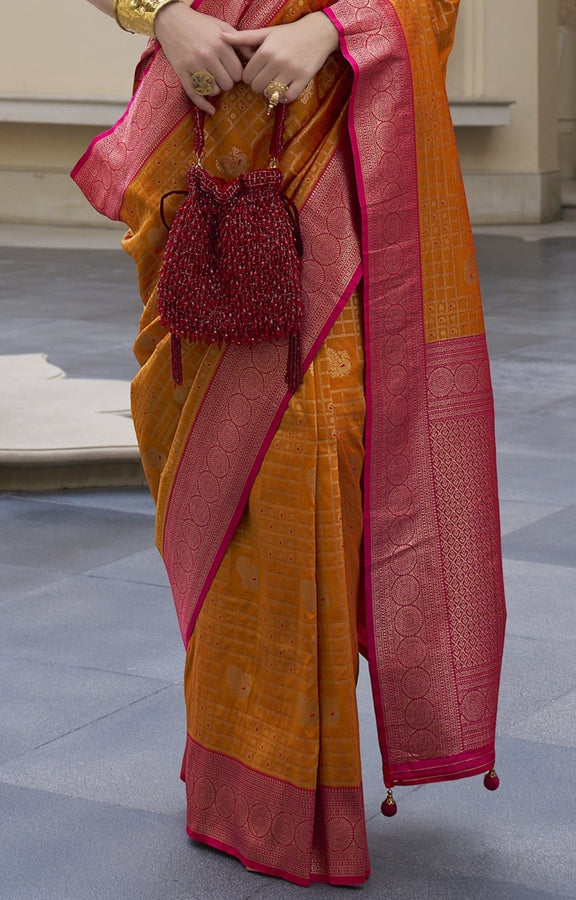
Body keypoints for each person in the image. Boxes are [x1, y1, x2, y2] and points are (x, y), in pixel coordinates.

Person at [74, 0, 506, 886]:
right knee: (219, 472)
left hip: (337, 165)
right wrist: (162, 18)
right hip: (205, 165)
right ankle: (234, 774)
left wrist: (332, 31)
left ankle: (296, 793)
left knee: (308, 448)